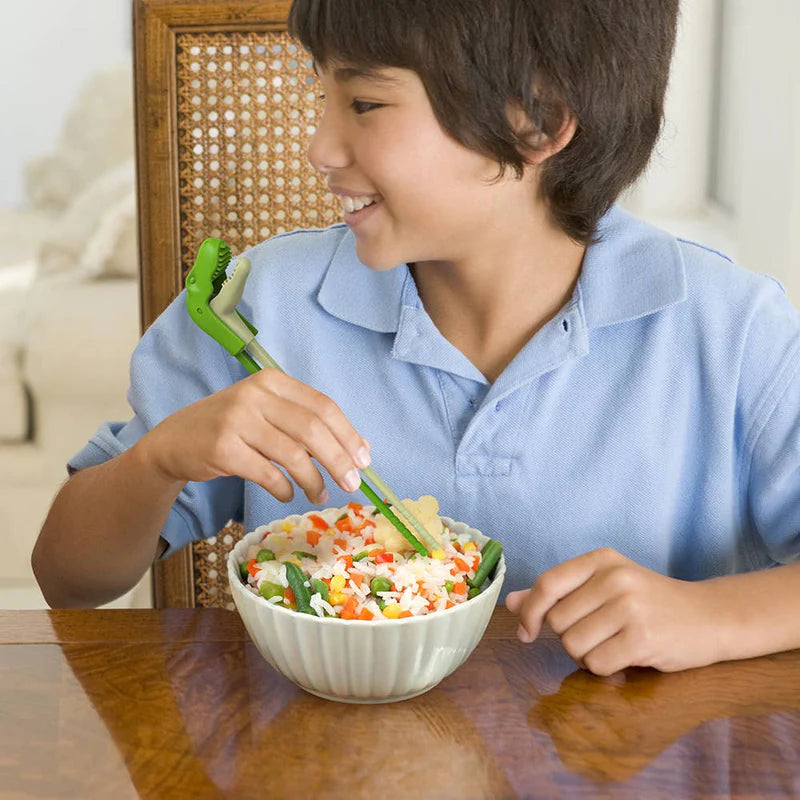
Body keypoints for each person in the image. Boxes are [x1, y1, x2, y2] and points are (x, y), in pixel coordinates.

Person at [32, 0, 800, 676]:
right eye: (320, 92)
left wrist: (714, 618)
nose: (320, 148)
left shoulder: (731, 334)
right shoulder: (259, 310)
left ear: (536, 118)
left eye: (364, 102)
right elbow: (68, 576)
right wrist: (159, 458)